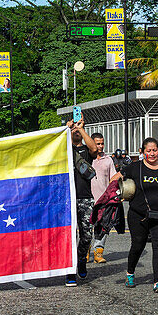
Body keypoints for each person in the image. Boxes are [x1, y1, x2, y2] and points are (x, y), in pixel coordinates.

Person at [114, 137, 158, 293]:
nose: (152, 153)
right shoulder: (135, 167)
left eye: (155, 150)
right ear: (143, 151)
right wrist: (118, 193)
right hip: (138, 215)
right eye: (149, 150)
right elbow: (115, 180)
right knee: (137, 245)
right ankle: (130, 273)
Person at [66, 119, 98, 286]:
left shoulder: (85, 150)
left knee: (86, 235)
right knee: (70, 236)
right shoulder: (64, 149)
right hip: (67, 199)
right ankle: (70, 271)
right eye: (74, 129)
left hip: (85, 198)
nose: (75, 131)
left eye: (77, 129)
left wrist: (81, 128)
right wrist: (66, 129)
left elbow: (94, 149)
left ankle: (81, 261)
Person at [89, 133, 117, 264]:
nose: (100, 146)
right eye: (97, 143)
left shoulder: (108, 160)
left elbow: (113, 178)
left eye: (102, 143)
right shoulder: (87, 158)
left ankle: (98, 252)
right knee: (86, 228)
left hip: (103, 199)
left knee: (103, 227)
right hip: (88, 199)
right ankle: (85, 251)